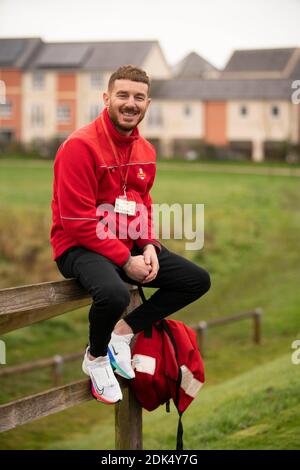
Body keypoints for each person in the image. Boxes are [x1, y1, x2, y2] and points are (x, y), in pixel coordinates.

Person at [50, 65, 211, 405]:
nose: (130, 103)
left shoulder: (146, 152)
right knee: (113, 294)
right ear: (106, 98)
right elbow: (76, 221)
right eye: (122, 95)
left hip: (129, 243)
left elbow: (143, 204)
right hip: (78, 245)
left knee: (196, 280)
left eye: (138, 97)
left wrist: (149, 245)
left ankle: (120, 336)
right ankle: (95, 357)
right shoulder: (79, 146)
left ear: (147, 103)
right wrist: (126, 259)